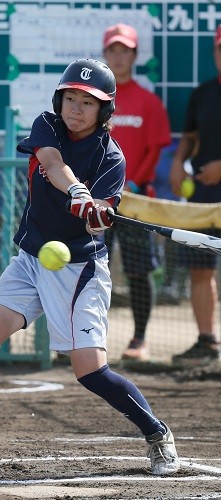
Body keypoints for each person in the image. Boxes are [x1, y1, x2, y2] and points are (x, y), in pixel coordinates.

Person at [0, 58, 180, 477]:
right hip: (32, 258)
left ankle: (157, 434)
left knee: (89, 370)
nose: (75, 108)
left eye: (87, 103)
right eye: (70, 98)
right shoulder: (47, 126)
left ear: (104, 111)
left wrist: (97, 212)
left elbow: (101, 212)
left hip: (78, 270)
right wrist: (75, 189)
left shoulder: (112, 158)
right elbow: (51, 163)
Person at [102, 23, 171, 361]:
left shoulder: (148, 101)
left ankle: (139, 339)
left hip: (135, 201)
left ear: (134, 56)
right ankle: (86, 340)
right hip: (96, 202)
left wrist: (130, 183)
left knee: (139, 269)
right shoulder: (94, 100)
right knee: (89, 269)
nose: (119, 56)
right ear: (104, 55)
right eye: (113, 50)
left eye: (125, 50)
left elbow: (155, 153)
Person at [169, 25, 221, 366]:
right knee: (201, 269)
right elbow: (189, 138)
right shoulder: (202, 93)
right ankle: (207, 342)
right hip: (203, 196)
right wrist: (177, 163)